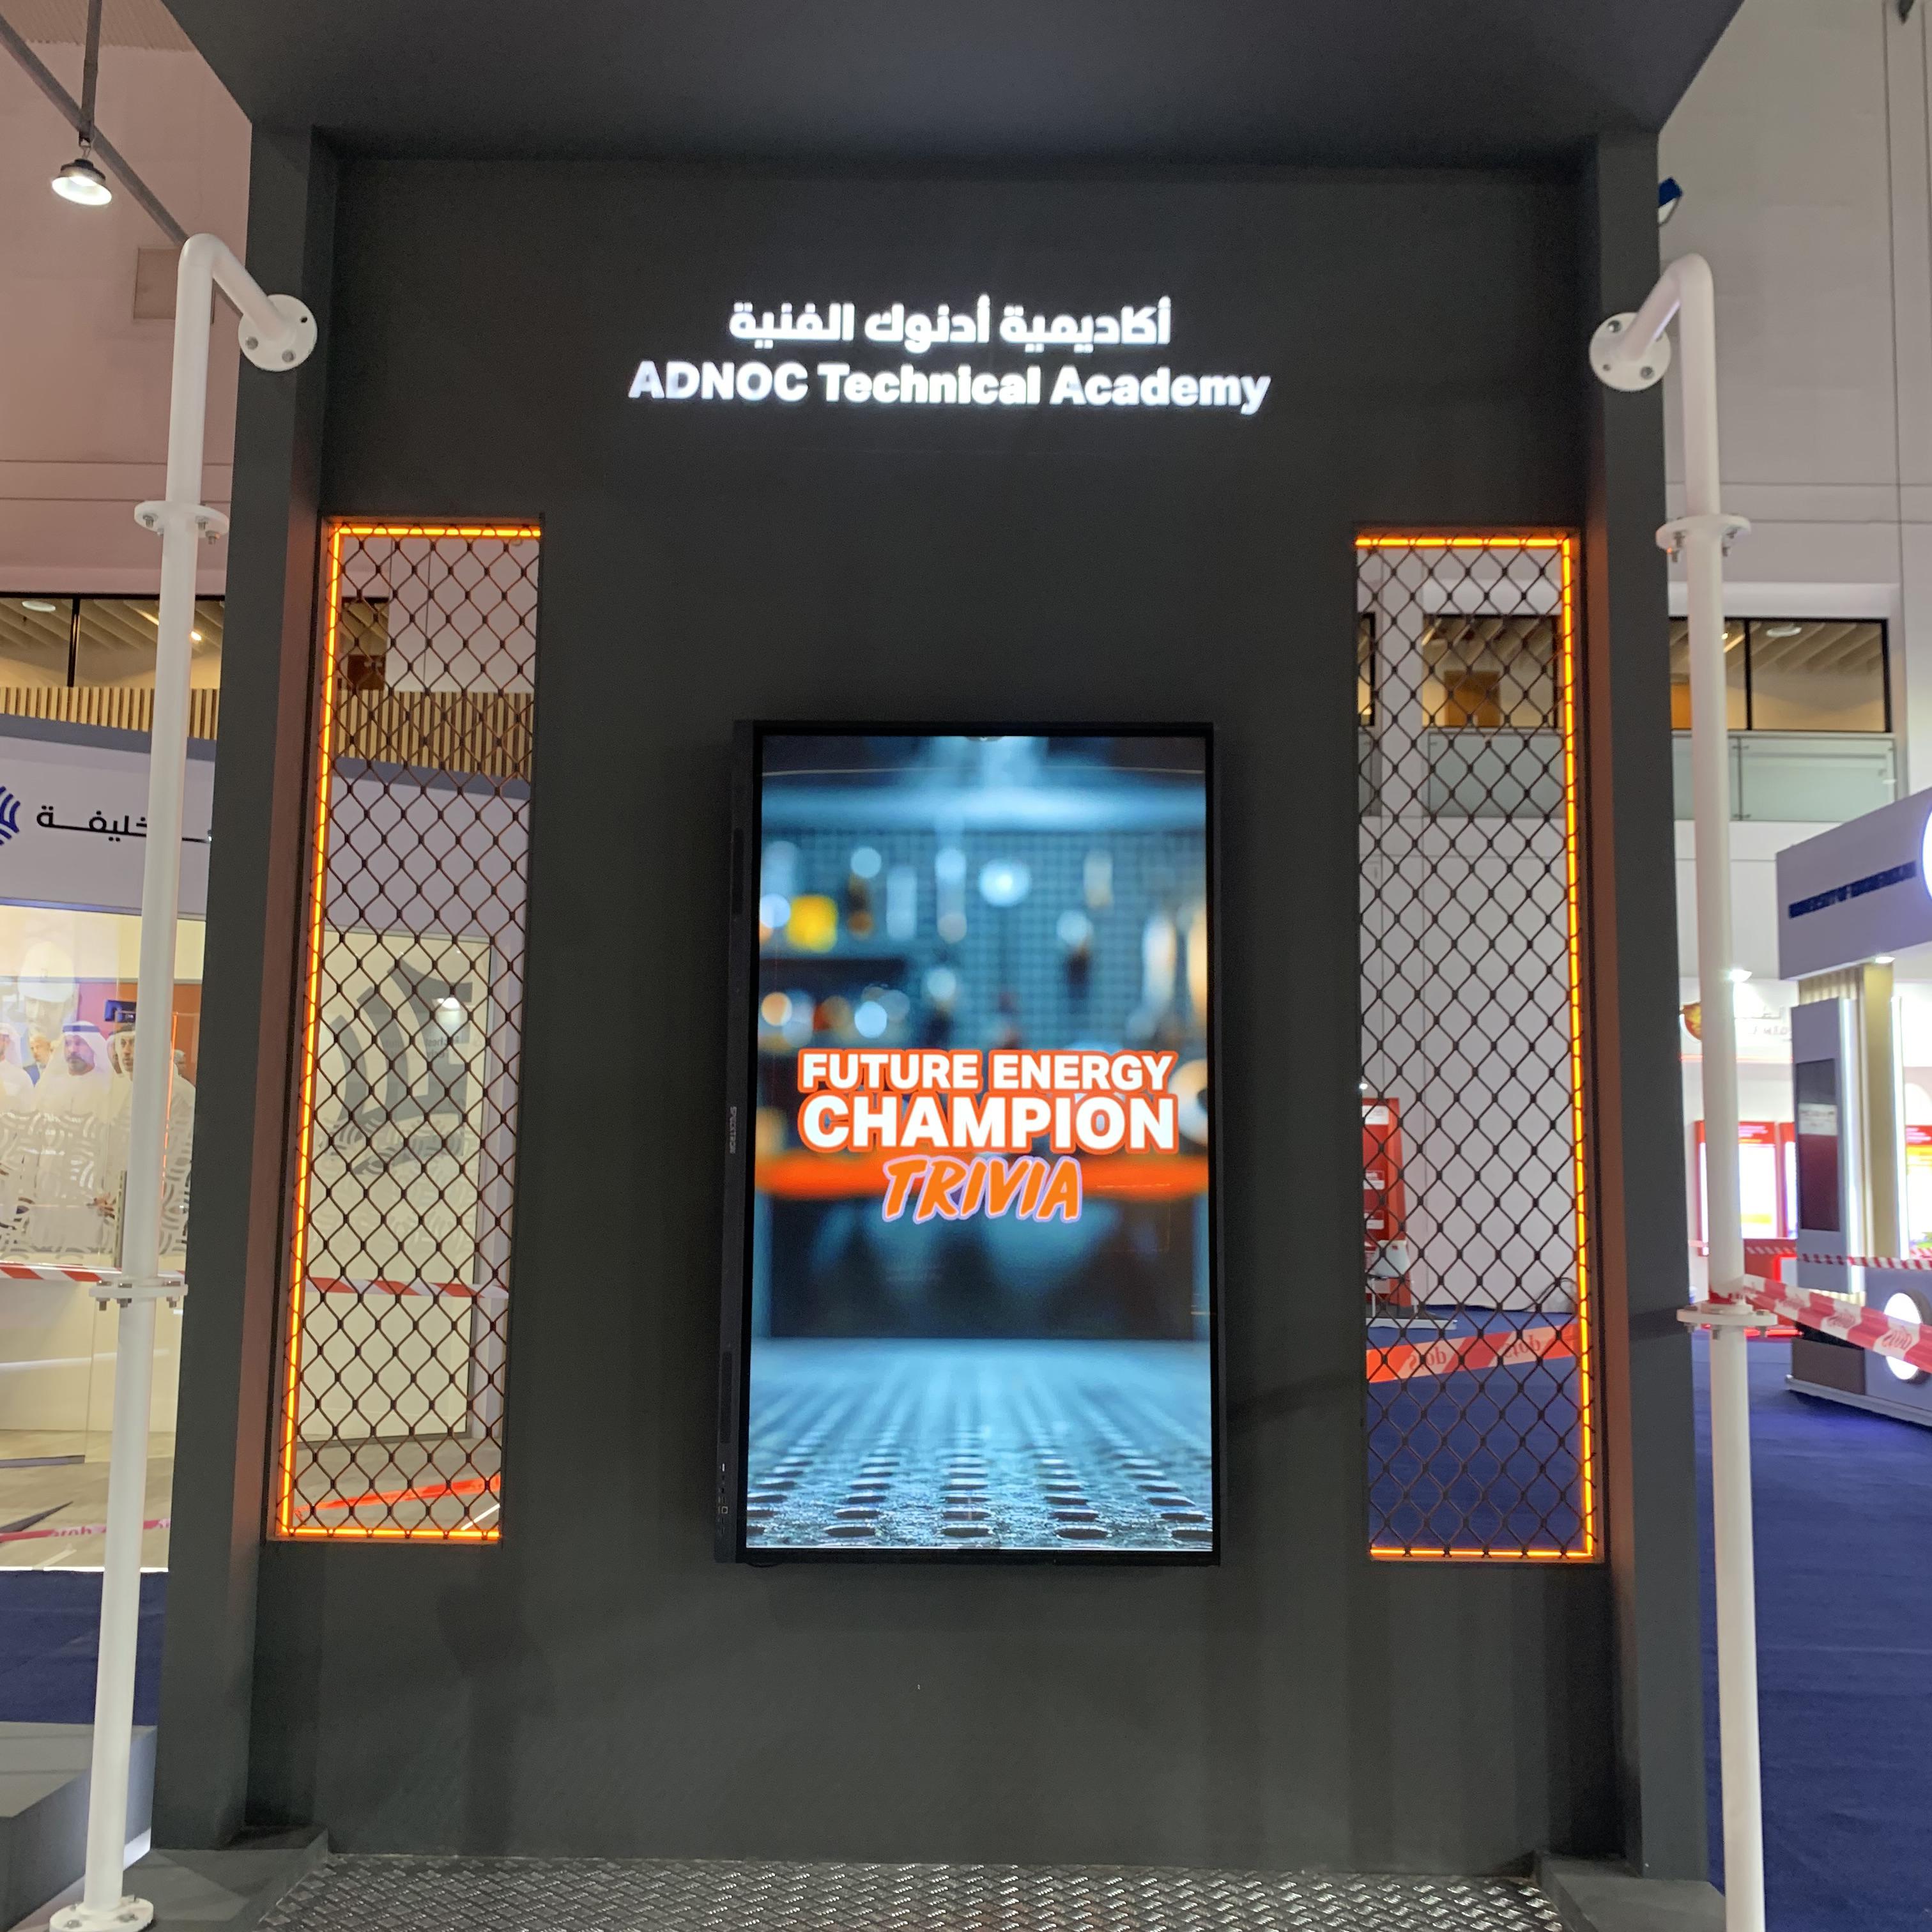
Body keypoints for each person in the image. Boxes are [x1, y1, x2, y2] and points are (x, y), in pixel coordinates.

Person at [33, 1021, 118, 1123]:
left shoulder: (106, 1087)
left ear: (93, 1046)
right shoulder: (48, 1085)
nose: (72, 1050)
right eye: (68, 1043)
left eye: (79, 1044)